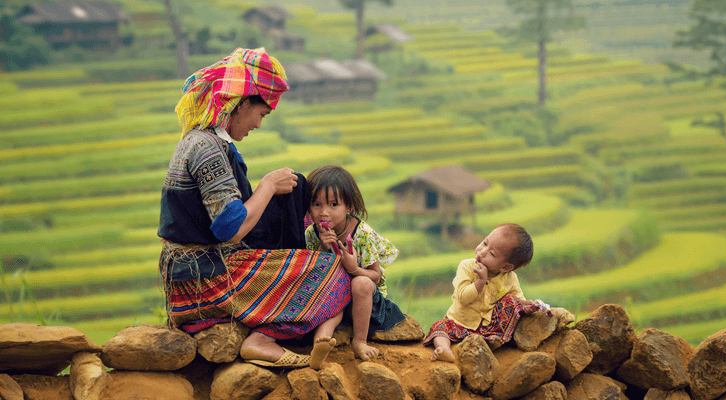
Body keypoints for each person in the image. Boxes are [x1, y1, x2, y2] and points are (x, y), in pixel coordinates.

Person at [158, 48, 350, 369]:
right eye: (260, 114)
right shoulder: (207, 148)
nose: (259, 125)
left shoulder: (204, 141)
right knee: (335, 273)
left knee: (295, 188)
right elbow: (230, 229)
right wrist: (267, 186)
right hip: (205, 278)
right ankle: (264, 339)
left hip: (196, 270)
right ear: (242, 103)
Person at [304, 165, 407, 361]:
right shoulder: (311, 233)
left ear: (349, 207)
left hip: (364, 298)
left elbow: (375, 277)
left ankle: (359, 341)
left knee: (360, 282)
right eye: (316, 204)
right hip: (334, 296)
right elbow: (312, 272)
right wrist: (323, 250)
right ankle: (320, 344)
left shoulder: (362, 234)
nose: (323, 212)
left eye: (333, 205)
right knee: (329, 288)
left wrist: (354, 269)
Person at [423, 223, 536, 362]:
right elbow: (463, 297)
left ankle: (493, 340)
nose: (482, 251)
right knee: (439, 329)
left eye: (492, 253)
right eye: (484, 243)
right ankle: (444, 350)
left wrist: (524, 304)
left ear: (506, 267)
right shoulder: (467, 267)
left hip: (487, 328)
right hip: (458, 324)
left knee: (512, 301)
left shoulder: (510, 278)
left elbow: (517, 299)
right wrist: (480, 282)